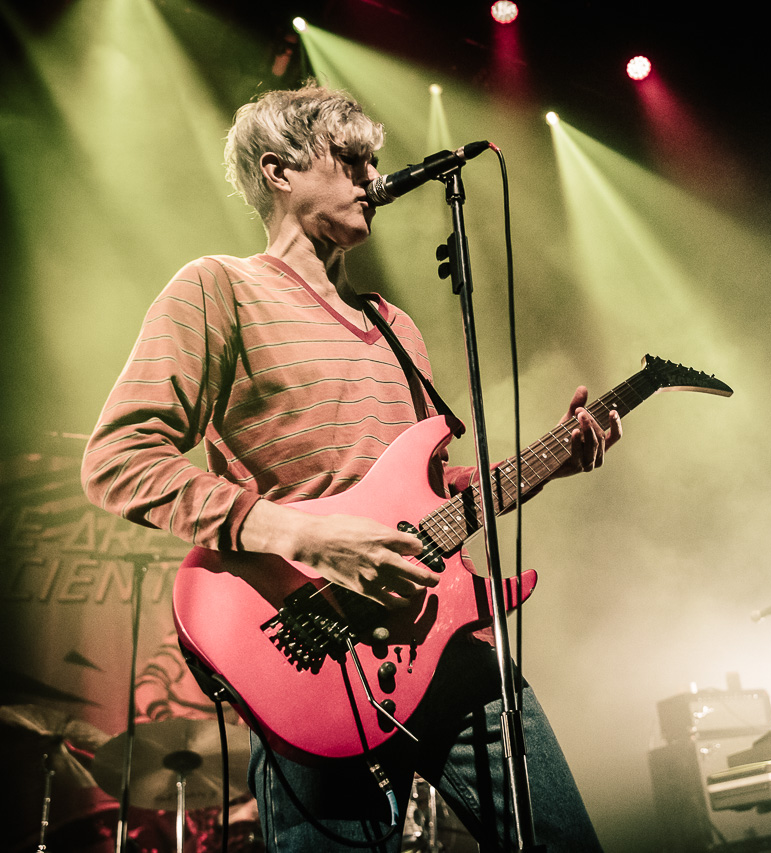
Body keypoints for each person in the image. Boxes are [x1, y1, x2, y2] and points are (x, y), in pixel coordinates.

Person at [81, 82, 619, 851]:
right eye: (351, 160)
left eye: (373, 161)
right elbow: (118, 458)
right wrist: (311, 538)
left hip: (441, 642)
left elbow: (427, 497)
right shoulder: (218, 288)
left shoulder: (393, 325)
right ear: (278, 171)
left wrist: (545, 463)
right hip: (313, 659)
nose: (374, 177)